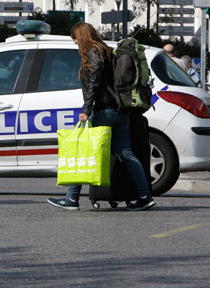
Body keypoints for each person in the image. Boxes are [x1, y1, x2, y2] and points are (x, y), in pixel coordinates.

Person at [47, 22, 155, 211]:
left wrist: (86, 110)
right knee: (127, 154)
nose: (74, 43)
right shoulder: (108, 50)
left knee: (84, 150)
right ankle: (145, 195)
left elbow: (94, 83)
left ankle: (72, 198)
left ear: (80, 37)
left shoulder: (93, 53)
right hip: (120, 111)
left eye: (74, 39)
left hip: (103, 111)